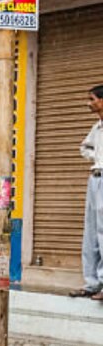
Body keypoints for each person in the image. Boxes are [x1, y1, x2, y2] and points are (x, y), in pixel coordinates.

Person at [70, 85, 103, 300]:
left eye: (92, 99)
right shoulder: (97, 127)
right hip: (96, 179)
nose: (88, 103)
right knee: (91, 231)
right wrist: (97, 158)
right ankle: (91, 283)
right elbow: (84, 148)